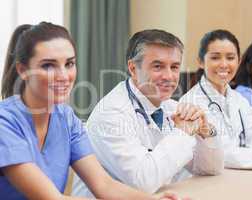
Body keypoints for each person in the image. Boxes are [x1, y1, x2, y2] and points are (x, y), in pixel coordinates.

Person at [0, 22, 181, 200]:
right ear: (23, 70)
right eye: (48, 65)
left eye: (69, 64)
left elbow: (104, 186)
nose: (63, 76)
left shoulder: (66, 119)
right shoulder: (5, 123)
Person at [72, 29, 224, 196]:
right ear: (133, 68)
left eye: (174, 67)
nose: (169, 76)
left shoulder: (170, 107)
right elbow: (144, 181)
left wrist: (206, 131)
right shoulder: (111, 114)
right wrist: (183, 132)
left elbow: (211, 169)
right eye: (158, 66)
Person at [180, 29, 252, 171]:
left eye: (230, 58)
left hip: (237, 176)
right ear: (200, 62)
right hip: (200, 182)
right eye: (215, 57)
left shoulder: (240, 101)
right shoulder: (191, 103)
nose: (224, 64)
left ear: (239, 61)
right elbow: (224, 153)